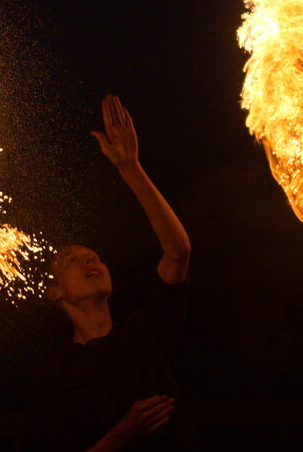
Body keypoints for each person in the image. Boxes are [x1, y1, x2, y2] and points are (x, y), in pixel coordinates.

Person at [33, 95, 191, 451]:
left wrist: (130, 168)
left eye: (95, 258)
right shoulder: (55, 374)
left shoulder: (144, 334)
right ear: (54, 291)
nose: (90, 261)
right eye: (73, 260)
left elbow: (178, 252)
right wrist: (122, 434)